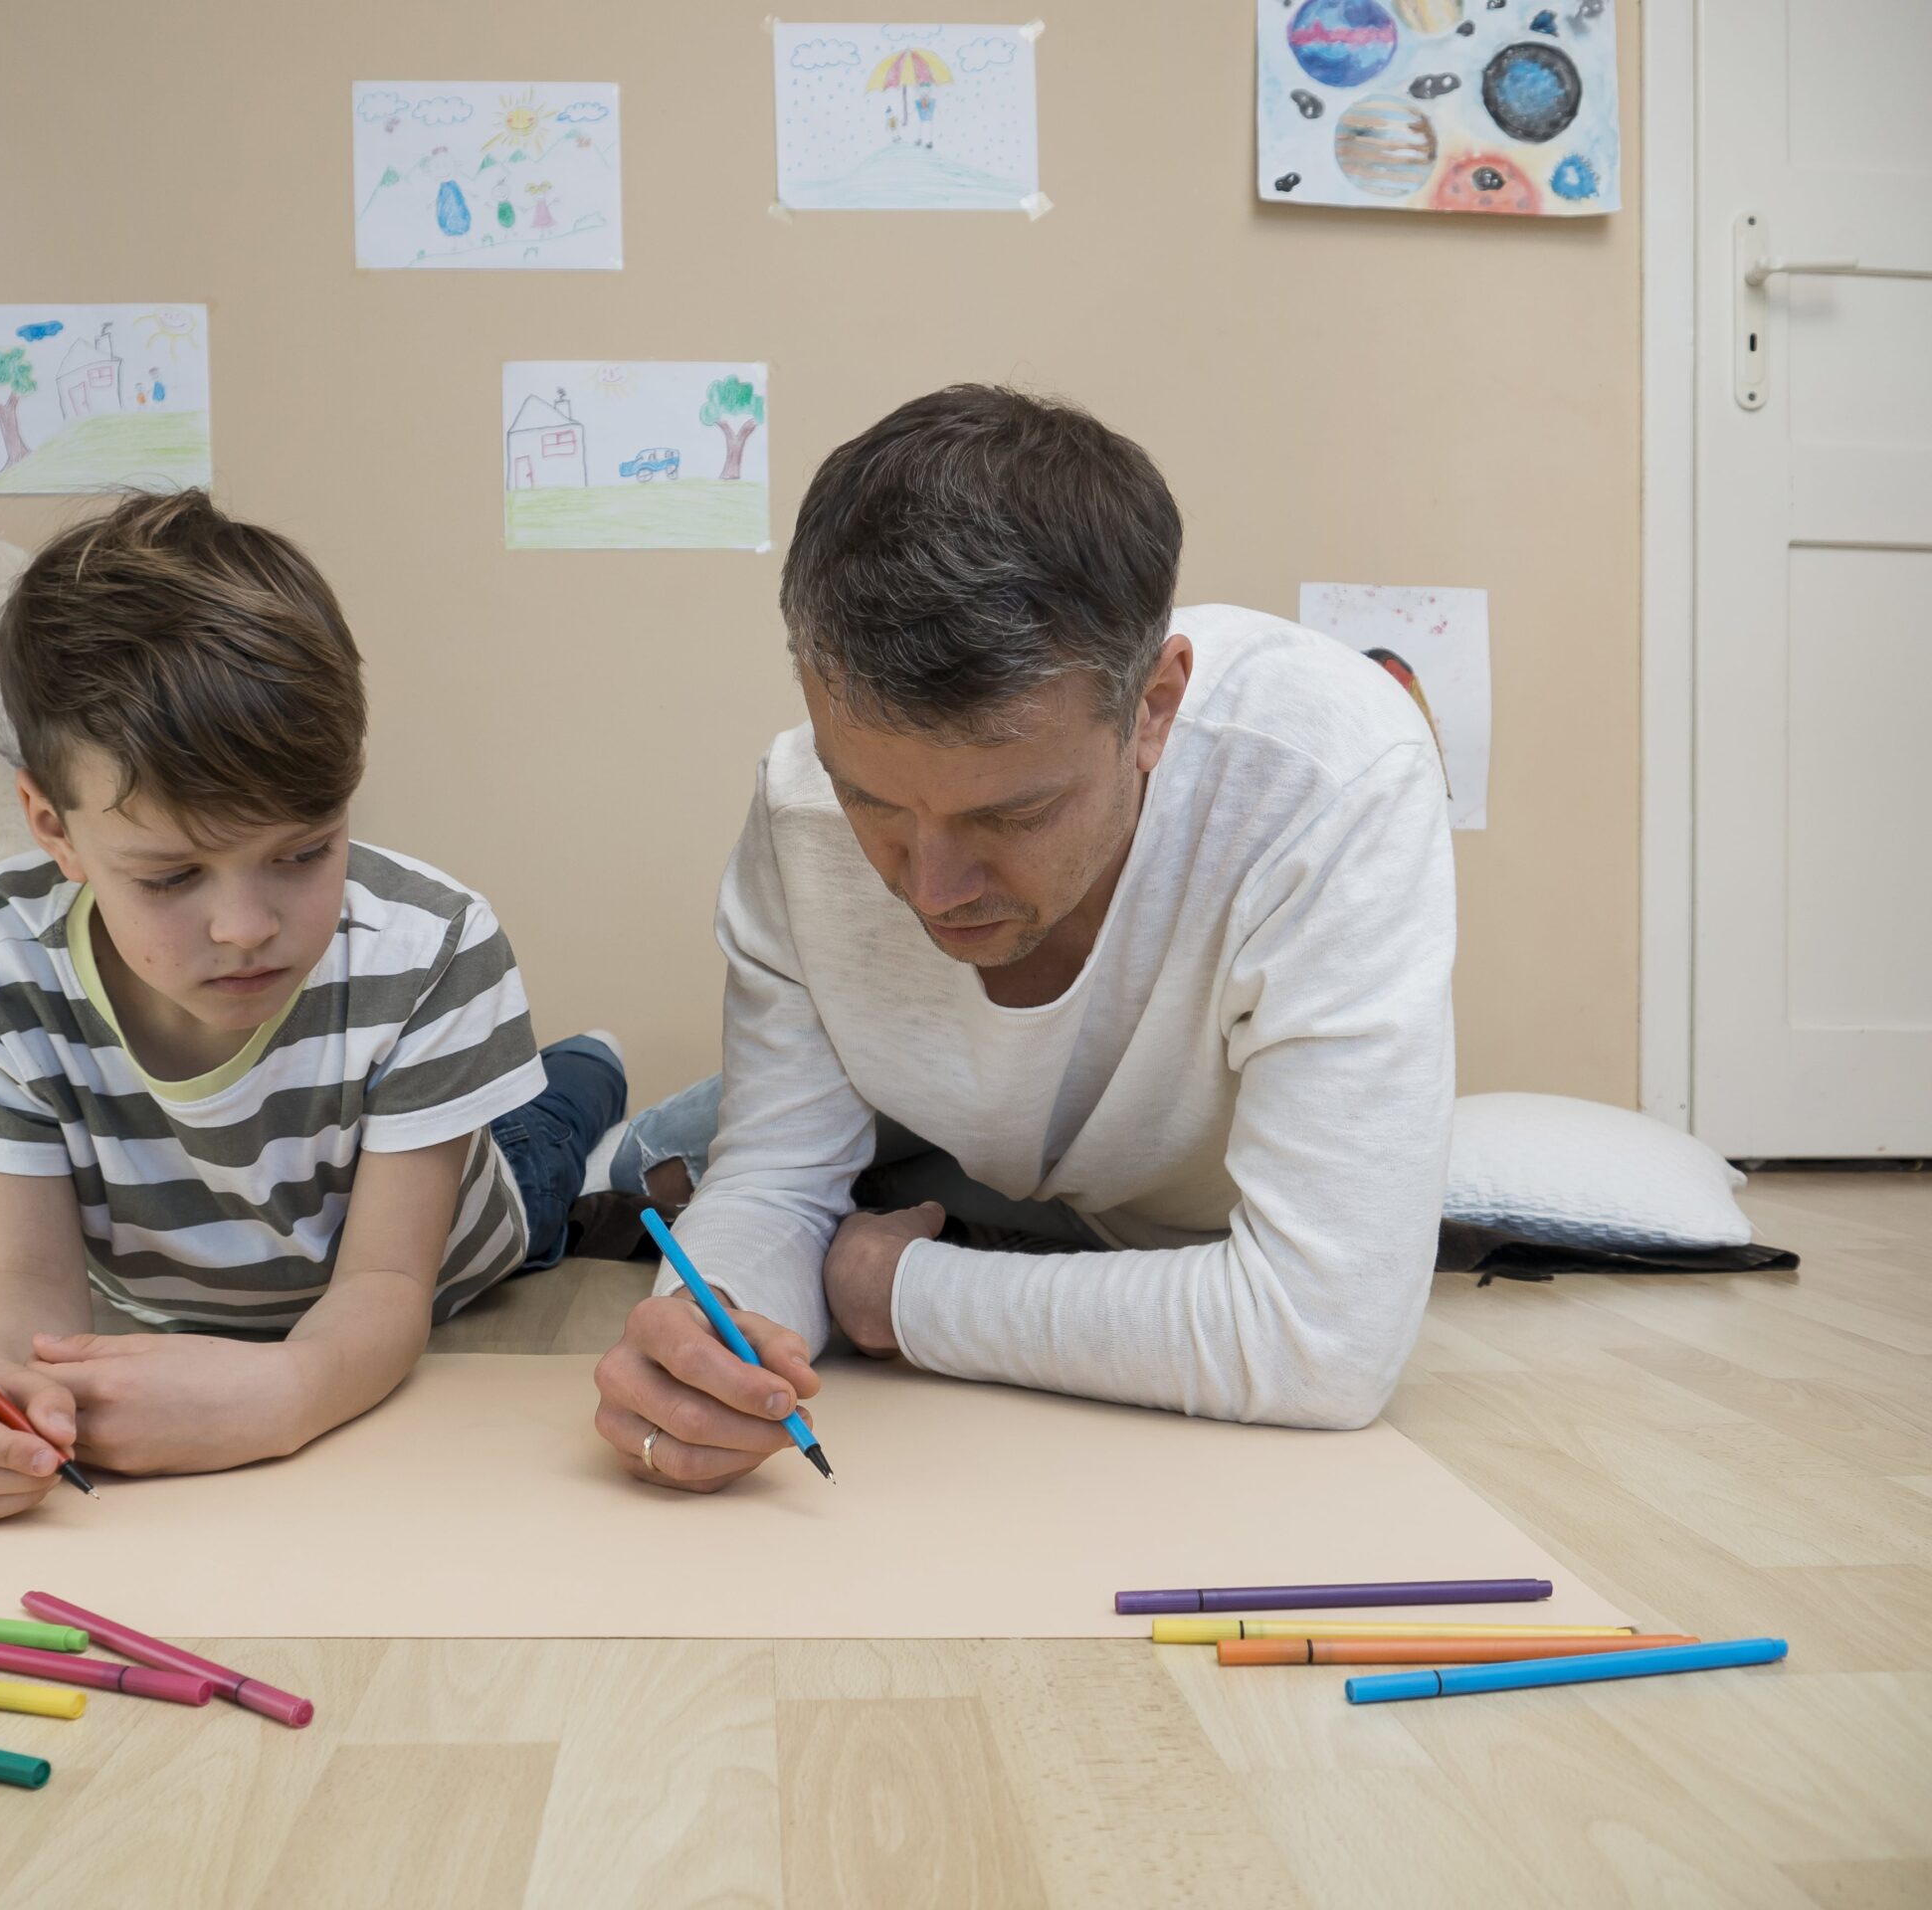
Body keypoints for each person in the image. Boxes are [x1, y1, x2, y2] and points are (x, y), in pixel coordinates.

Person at [589, 386, 1455, 1491]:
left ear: (1153, 708)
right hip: (939, 1145)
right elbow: (779, 1185)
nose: (932, 889)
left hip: (1104, 1204)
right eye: (877, 806)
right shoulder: (798, 798)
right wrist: (703, 1343)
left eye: (1010, 815)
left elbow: (1324, 1343)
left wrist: (896, 1291)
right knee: (667, 1164)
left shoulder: (1333, 780)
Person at [0, 488, 623, 1521]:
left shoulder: (434, 942)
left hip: (461, 1245)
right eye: (170, 877)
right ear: (51, 826)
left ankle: (591, 1068)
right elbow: (20, 1285)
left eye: (303, 853)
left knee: (551, 1144)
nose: (245, 927)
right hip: (220, 1273)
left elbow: (386, 1288)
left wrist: (284, 1396)